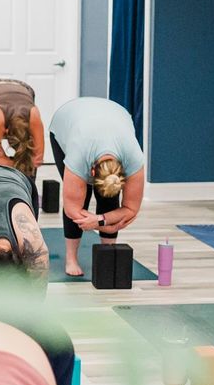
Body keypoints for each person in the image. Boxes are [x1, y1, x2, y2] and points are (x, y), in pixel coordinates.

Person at [47, 97, 145, 278]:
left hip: (114, 115)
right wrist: (103, 222)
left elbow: (131, 209)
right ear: (91, 171)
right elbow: (72, 209)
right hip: (67, 119)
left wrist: (100, 221)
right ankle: (71, 259)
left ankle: (108, 254)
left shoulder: (134, 159)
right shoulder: (78, 155)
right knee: (80, 200)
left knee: (109, 199)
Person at [0, 78, 45, 180]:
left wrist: (5, 160)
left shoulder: (34, 118)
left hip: (24, 89)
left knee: (29, 153)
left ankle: (28, 192)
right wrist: (24, 164)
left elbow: (37, 160)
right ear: (5, 131)